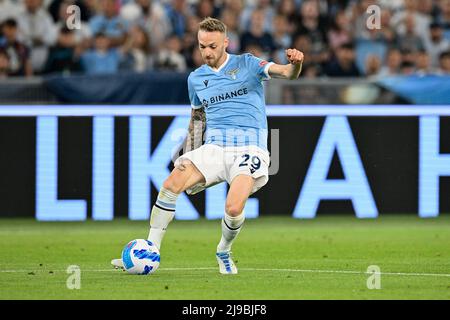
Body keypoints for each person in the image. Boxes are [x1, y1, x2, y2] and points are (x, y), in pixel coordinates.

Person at [111, 17, 304, 275]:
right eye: (202, 46)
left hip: (249, 148)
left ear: (226, 42)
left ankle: (224, 250)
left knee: (233, 207)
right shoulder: (196, 78)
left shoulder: (247, 63)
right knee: (170, 184)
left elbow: (287, 74)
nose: (207, 52)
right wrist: (187, 150)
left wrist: (297, 63)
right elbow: (198, 119)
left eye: (212, 46)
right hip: (215, 147)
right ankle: (151, 249)